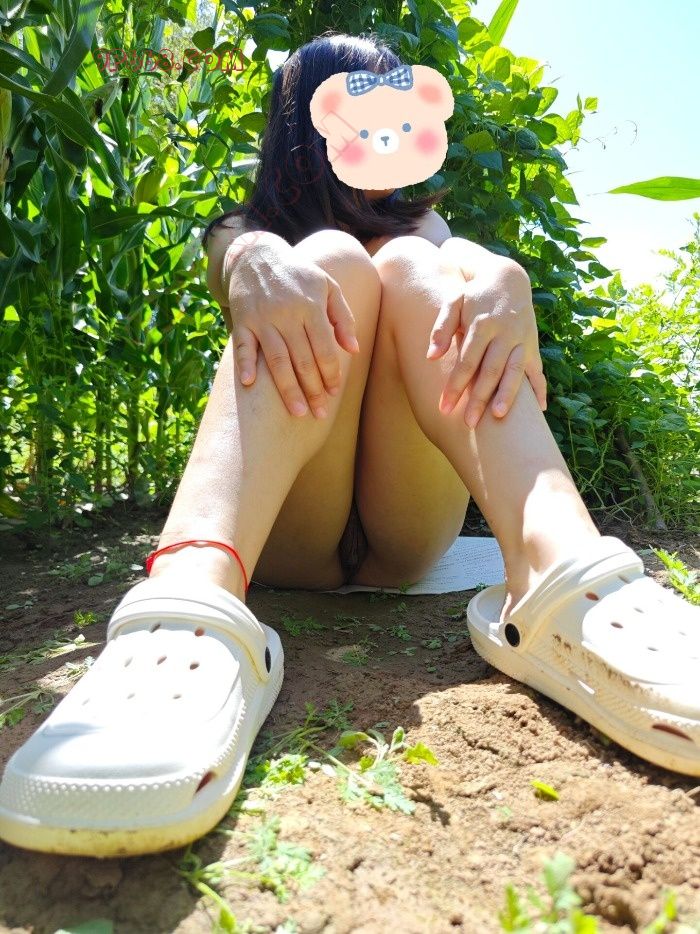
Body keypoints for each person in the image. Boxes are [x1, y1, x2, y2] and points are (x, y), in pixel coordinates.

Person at [0, 32, 697, 859]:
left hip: (406, 534)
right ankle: (190, 586)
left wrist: (503, 278)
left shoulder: (420, 225)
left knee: (414, 266)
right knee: (326, 258)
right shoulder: (247, 229)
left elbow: (456, 257)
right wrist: (254, 259)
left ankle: (561, 565)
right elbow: (234, 255)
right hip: (296, 536)